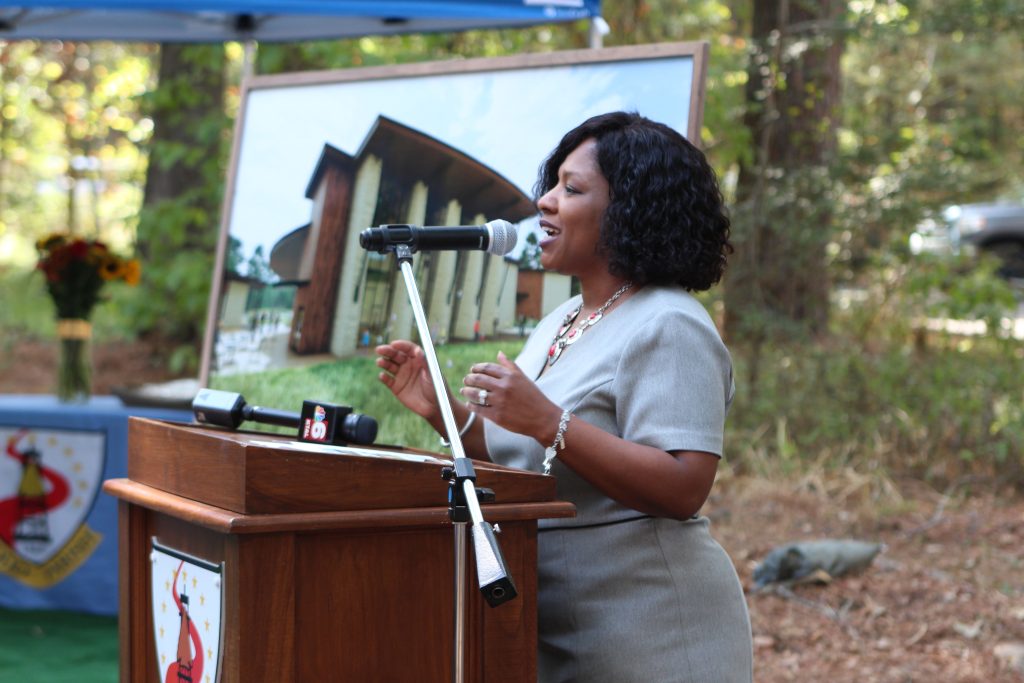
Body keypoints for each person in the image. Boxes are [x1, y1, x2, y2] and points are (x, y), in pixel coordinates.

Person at [376, 111, 753, 682]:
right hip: (554, 626)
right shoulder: (560, 320)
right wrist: (442, 410)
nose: (545, 202)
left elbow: (684, 486)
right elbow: (523, 458)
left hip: (651, 632)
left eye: (571, 189)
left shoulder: (670, 323)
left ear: (629, 210)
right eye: (552, 185)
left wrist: (549, 420)